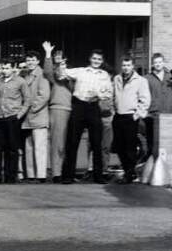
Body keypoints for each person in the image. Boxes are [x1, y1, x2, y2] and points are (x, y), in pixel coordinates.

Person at [57, 48, 113, 184]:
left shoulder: (104, 75)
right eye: (94, 58)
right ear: (90, 59)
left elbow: (109, 93)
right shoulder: (80, 71)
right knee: (72, 141)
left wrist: (99, 94)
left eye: (99, 59)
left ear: (102, 61)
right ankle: (67, 176)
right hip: (79, 106)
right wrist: (61, 64)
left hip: (94, 106)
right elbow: (61, 75)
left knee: (97, 143)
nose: (96, 61)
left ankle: (98, 176)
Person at [112, 55, 151, 184]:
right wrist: (113, 112)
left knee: (130, 147)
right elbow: (112, 96)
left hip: (130, 116)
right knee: (119, 147)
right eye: (124, 65)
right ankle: (129, 171)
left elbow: (145, 100)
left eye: (128, 65)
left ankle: (129, 174)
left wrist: (137, 114)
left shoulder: (140, 81)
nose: (126, 68)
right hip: (118, 116)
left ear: (133, 66)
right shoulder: (116, 79)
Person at [0, 57, 29, 183]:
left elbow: (27, 100)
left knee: (12, 148)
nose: (5, 71)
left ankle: (10, 176)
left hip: (12, 117)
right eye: (3, 68)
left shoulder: (20, 81)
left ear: (13, 68)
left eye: (7, 68)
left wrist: (19, 115)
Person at [42, 42, 73, 183]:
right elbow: (47, 71)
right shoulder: (54, 78)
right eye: (57, 58)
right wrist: (48, 53)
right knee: (57, 143)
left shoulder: (72, 79)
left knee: (69, 143)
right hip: (58, 110)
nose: (62, 68)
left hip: (73, 111)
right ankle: (57, 172)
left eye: (64, 64)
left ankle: (67, 171)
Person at [145, 53, 172, 159]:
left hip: (169, 114)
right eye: (155, 62)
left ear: (164, 62)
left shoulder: (171, 76)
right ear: (152, 64)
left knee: (169, 142)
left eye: (160, 62)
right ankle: (152, 168)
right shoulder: (147, 78)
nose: (158, 64)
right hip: (153, 115)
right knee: (152, 144)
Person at [21, 50, 51, 183]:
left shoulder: (42, 74)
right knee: (29, 146)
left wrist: (30, 108)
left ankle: (41, 175)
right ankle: (31, 174)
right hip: (27, 117)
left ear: (38, 61)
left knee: (40, 146)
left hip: (37, 114)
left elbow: (44, 95)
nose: (30, 62)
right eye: (28, 60)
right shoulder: (26, 75)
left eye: (33, 60)